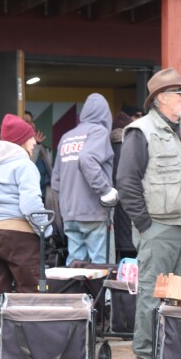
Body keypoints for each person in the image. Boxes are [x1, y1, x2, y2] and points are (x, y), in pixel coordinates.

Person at [118, 68, 181, 359]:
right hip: (158, 227)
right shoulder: (140, 131)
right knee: (152, 298)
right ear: (161, 98)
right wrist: (145, 225)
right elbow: (126, 182)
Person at [0, 113, 45, 359]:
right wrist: (45, 231)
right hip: (19, 236)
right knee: (30, 293)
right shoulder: (24, 164)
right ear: (19, 140)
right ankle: (31, 355)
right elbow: (30, 205)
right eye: (29, 138)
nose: (34, 143)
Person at [52, 93, 117, 265]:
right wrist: (105, 190)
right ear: (105, 114)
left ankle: (75, 293)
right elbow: (87, 159)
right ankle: (101, 294)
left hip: (70, 215)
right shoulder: (99, 132)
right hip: (93, 213)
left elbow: (56, 181)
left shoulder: (66, 137)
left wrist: (68, 204)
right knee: (101, 269)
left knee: (75, 267)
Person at [109, 112, 137, 261]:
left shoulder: (105, 149)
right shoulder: (135, 149)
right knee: (132, 264)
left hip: (111, 213)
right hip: (131, 214)